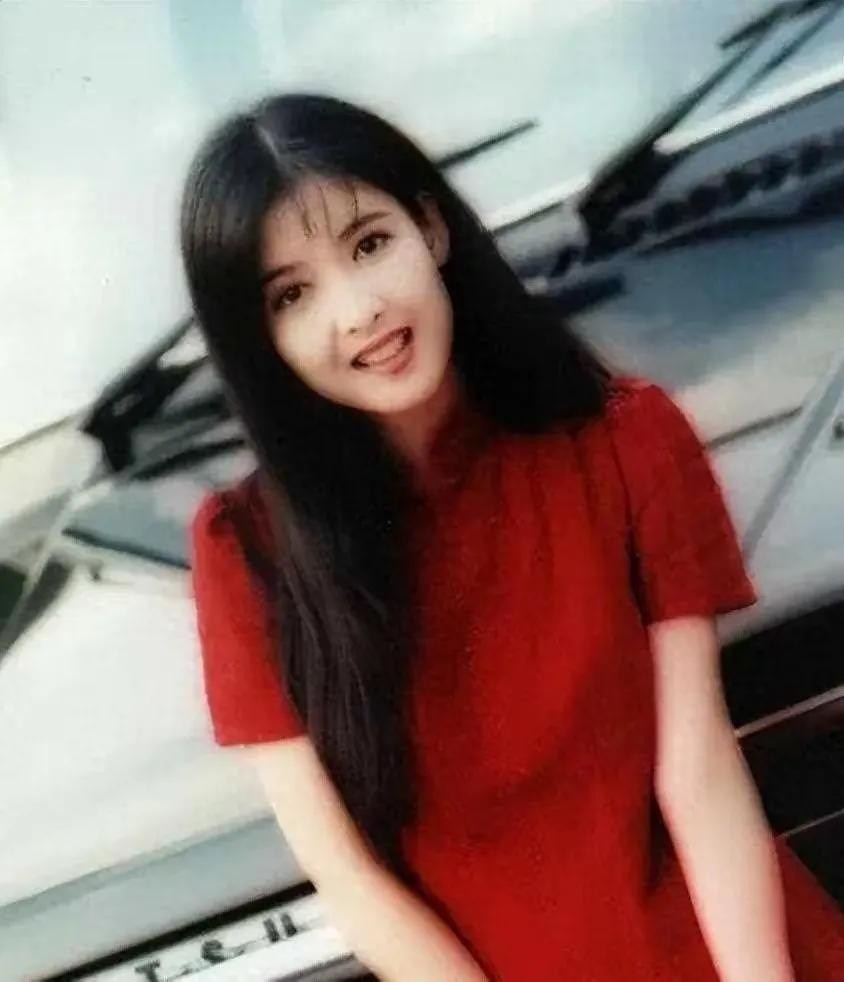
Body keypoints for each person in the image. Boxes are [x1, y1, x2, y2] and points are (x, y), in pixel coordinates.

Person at [181, 92, 844, 981]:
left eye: (369, 245)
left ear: (430, 229)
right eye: (292, 294)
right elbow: (349, 877)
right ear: (261, 339)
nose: (358, 310)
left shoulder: (625, 440)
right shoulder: (247, 553)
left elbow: (697, 770)